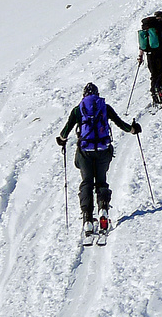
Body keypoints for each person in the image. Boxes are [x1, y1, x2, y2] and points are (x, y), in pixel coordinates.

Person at [56, 83, 139, 235]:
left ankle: (87, 218)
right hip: (103, 150)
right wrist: (133, 129)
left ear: (84, 95)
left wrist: (61, 140)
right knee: (101, 181)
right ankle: (103, 209)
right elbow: (120, 123)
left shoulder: (78, 110)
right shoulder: (104, 107)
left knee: (87, 182)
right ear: (97, 94)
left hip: (85, 152)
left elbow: (65, 131)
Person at [140, 10, 162, 105]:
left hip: (149, 54)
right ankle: (159, 88)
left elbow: (142, 43)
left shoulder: (147, 27)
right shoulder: (161, 25)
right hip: (161, 52)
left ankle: (154, 93)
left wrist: (140, 56)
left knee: (153, 74)